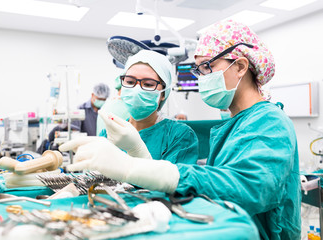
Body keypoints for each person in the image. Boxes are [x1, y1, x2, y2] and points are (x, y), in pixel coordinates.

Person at [59, 20, 300, 239]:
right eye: (198, 70)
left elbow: (250, 189)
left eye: (207, 67)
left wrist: (135, 166)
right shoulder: (236, 124)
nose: (200, 78)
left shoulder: (269, 121)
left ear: (240, 66)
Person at [98, 50, 198, 164]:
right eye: (130, 82)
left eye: (148, 84)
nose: (136, 90)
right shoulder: (109, 133)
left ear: (163, 94)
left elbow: (176, 180)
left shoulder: (179, 135)